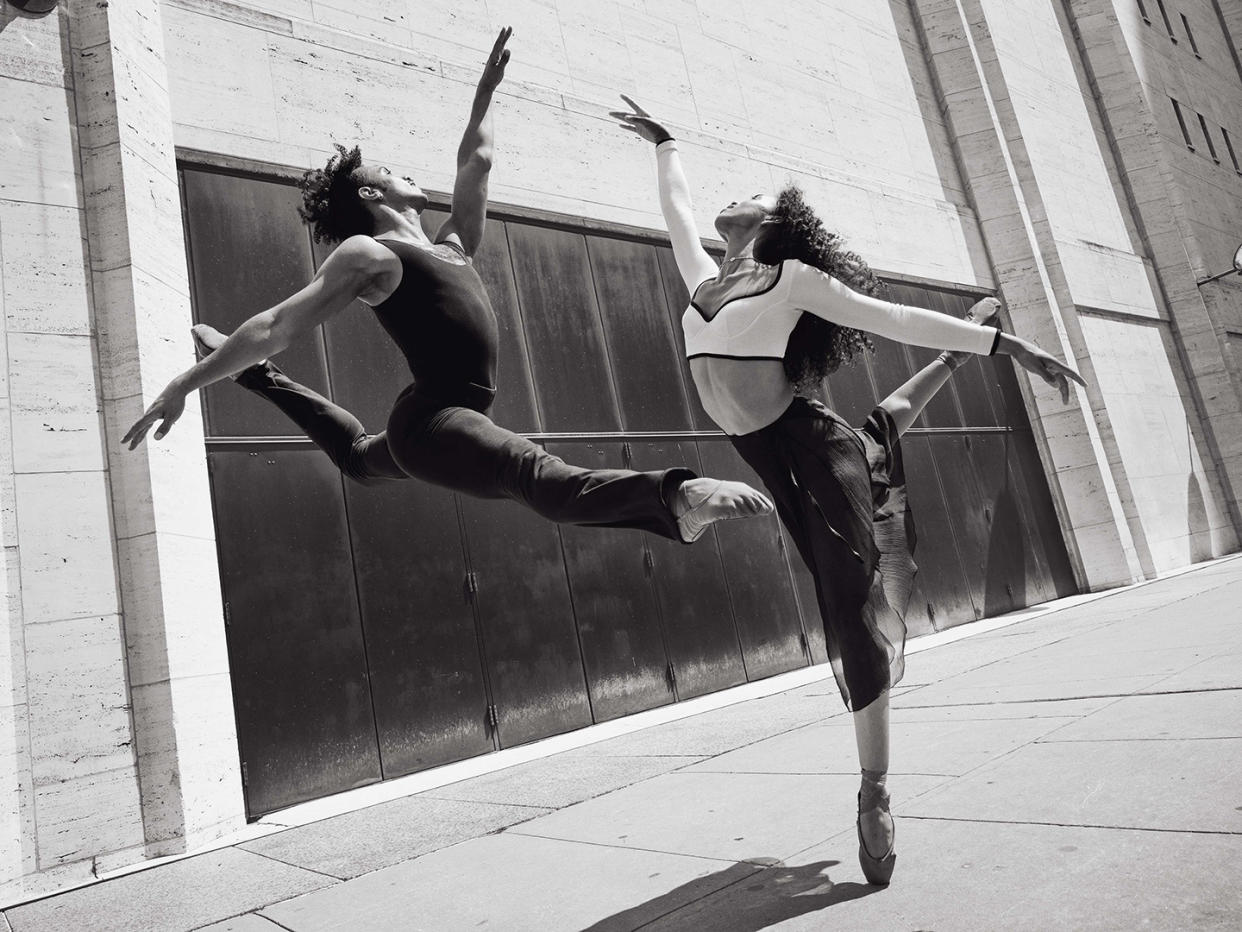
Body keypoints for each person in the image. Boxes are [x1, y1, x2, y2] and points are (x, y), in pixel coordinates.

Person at [612, 95, 1086, 885]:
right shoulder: (700, 276)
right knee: (841, 594)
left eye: (752, 196)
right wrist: (665, 143)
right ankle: (874, 781)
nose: (733, 199)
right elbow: (677, 209)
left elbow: (892, 316)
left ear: (776, 222)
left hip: (815, 450)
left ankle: (874, 792)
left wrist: (1008, 345)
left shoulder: (792, 278)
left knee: (848, 605)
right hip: (772, 458)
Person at [122, 30, 775, 547]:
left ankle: (256, 379)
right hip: (434, 420)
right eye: (388, 167)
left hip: (437, 419)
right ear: (371, 193)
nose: (406, 167)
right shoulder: (369, 253)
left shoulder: (450, 245)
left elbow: (477, 163)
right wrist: (187, 381)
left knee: (355, 455)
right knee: (536, 475)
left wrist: (485, 94)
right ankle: (677, 500)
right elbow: (278, 324)